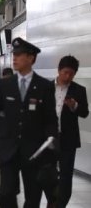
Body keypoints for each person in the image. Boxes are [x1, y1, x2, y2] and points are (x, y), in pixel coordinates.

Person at [0, 37, 58, 208]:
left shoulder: (44, 86)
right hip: (8, 151)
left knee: (33, 198)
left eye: (19, 54)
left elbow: (50, 118)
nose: (14, 58)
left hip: (35, 153)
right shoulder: (4, 85)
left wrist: (52, 136)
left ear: (31, 58)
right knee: (5, 194)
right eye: (14, 54)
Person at [44, 55, 89, 208]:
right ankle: (52, 200)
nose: (68, 76)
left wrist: (74, 106)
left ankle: (59, 205)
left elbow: (85, 112)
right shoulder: (46, 88)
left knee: (65, 176)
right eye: (65, 72)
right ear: (59, 70)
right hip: (49, 139)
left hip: (68, 139)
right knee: (46, 174)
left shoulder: (79, 90)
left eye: (71, 73)